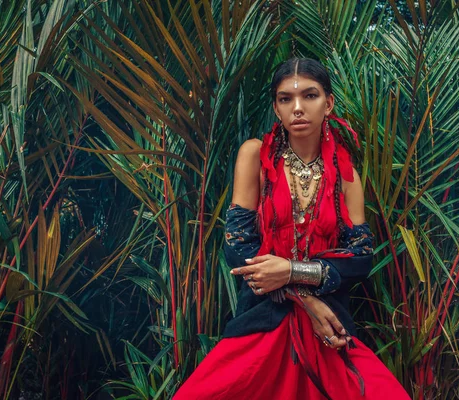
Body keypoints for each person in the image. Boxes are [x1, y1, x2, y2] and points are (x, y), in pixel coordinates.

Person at [174, 58, 410, 399]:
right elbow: (237, 245)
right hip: (262, 323)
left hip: (329, 329)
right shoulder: (254, 155)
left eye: (309, 96)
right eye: (286, 99)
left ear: (328, 104)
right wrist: (303, 297)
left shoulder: (346, 175)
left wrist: (291, 272)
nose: (297, 108)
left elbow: (359, 258)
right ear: (276, 108)